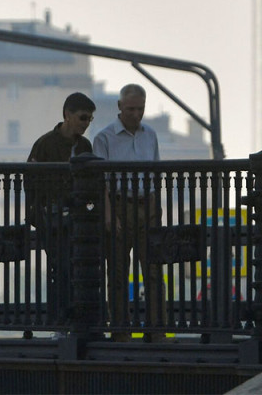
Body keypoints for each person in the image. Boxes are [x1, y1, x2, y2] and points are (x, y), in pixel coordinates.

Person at [91, 83, 164, 342]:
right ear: (120, 107)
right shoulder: (104, 137)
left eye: (140, 109)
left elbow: (154, 174)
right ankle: (120, 330)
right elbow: (102, 183)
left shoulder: (150, 135)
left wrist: (156, 210)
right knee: (119, 272)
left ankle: (155, 330)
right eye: (131, 108)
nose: (136, 114)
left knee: (154, 271)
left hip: (147, 205)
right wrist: (110, 215)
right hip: (120, 205)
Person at [26, 92, 95, 324]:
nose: (86, 124)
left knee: (79, 269)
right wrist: (39, 213)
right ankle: (61, 321)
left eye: (89, 120)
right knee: (61, 270)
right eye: (83, 118)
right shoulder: (45, 144)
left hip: (77, 219)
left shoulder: (85, 145)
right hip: (52, 219)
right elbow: (30, 181)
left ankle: (78, 320)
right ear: (67, 115)